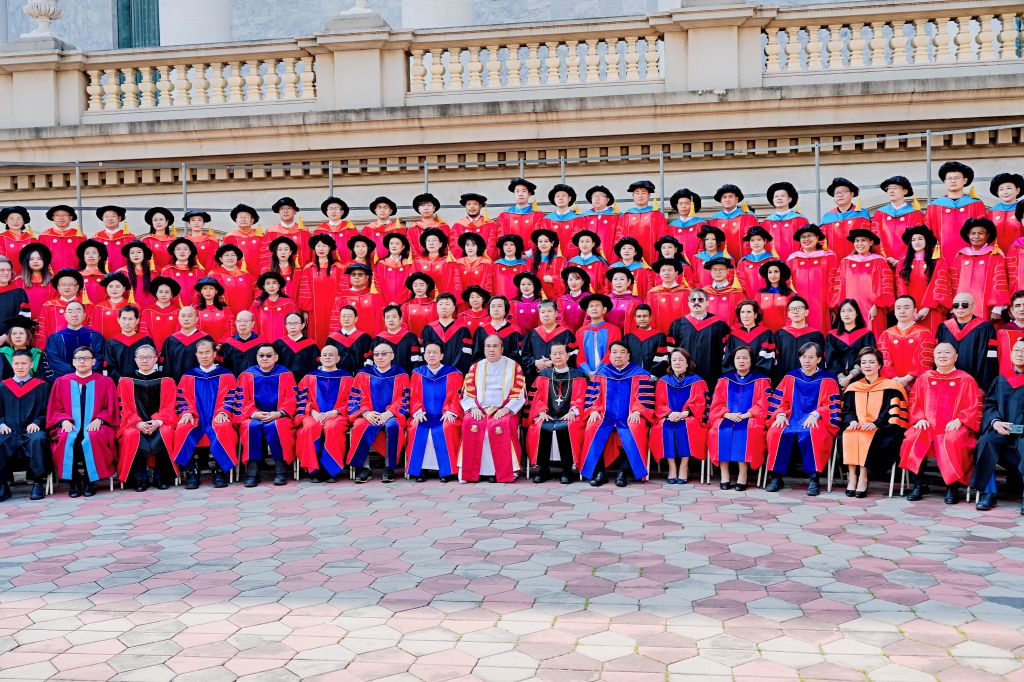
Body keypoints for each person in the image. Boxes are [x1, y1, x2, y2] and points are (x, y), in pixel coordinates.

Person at [899, 342, 981, 504]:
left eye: (947, 353)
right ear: (934, 357)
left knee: (953, 440)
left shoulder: (966, 379)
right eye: (939, 353)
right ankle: (918, 483)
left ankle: (952, 487)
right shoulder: (924, 378)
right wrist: (919, 418)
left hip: (953, 426)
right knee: (913, 437)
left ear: (956, 357)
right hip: (928, 425)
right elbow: (914, 402)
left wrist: (960, 420)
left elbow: (974, 406)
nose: (942, 356)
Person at [765, 342, 839, 496]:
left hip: (816, 418)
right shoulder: (790, 377)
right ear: (799, 358)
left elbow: (831, 406)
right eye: (804, 357)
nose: (807, 360)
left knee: (812, 433)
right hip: (791, 417)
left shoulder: (828, 379)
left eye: (811, 357)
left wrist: (816, 414)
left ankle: (814, 479)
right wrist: (780, 414)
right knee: (776, 432)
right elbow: (780, 401)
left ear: (819, 359)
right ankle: (776, 477)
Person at [579, 341, 655, 487]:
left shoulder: (640, 374)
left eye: (622, 352)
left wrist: (638, 410)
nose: (618, 355)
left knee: (636, 427)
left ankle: (623, 472)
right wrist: (594, 409)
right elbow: (593, 396)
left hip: (630, 415)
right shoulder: (601, 374)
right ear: (610, 355)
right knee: (592, 426)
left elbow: (645, 397)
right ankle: (599, 471)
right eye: (614, 352)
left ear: (628, 355)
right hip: (605, 415)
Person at [47, 346, 117, 497]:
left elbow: (111, 408)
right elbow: (55, 409)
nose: (82, 361)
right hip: (70, 425)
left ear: (93, 362)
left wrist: (100, 419)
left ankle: (89, 480)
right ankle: (73, 481)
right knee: (65, 437)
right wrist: (63, 420)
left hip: (97, 425)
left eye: (86, 358)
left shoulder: (105, 382)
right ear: (73, 362)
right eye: (78, 358)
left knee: (93, 437)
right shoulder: (62, 382)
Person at [839, 347, 909, 498]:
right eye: (863, 362)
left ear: (879, 365)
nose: (867, 365)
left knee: (866, 435)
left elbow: (892, 412)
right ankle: (852, 476)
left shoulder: (892, 387)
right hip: (857, 426)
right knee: (849, 434)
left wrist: (876, 423)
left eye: (871, 362)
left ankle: (864, 477)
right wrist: (852, 421)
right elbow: (847, 410)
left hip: (883, 429)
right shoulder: (853, 388)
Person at [459, 335, 527, 483]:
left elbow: (519, 392)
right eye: (488, 346)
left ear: (502, 349)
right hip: (480, 409)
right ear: (484, 349)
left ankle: (504, 471)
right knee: (470, 422)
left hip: (504, 409)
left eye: (495, 346)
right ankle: (472, 472)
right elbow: (467, 391)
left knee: (502, 424)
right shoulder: (475, 367)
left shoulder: (514, 367)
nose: (491, 349)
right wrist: (473, 407)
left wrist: (506, 409)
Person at [174, 338, 238, 488]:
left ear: (214, 354)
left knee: (223, 427)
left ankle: (220, 471)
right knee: (183, 428)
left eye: (208, 352)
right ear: (196, 355)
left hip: (217, 417)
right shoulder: (188, 376)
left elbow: (232, 397)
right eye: (201, 353)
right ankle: (191, 472)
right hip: (196, 418)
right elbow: (181, 399)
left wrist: (224, 412)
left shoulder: (226, 375)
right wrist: (186, 413)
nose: (204, 356)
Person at [115, 345, 177, 492]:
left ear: (155, 359)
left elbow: (171, 406)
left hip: (160, 422)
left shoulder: (167, 380)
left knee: (166, 432)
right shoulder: (125, 381)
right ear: (135, 360)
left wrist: (158, 421)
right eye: (141, 357)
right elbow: (122, 407)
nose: (145, 360)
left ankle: (161, 476)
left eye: (148, 357)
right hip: (133, 423)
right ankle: (139, 477)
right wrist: (137, 423)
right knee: (131, 434)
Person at [972, 337, 1024, 513]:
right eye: (1017, 350)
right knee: (986, 441)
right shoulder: (1001, 380)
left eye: (1023, 351)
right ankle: (989, 493)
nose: (1020, 353)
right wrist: (995, 422)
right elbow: (990, 405)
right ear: (1011, 354)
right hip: (1002, 429)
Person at [707, 346, 770, 490]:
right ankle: (724, 474)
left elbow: (764, 404)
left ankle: (743, 473)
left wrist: (746, 415)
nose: (741, 361)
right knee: (719, 430)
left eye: (745, 358)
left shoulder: (762, 380)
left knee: (745, 431)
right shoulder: (724, 380)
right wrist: (727, 414)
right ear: (733, 361)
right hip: (726, 416)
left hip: (751, 417)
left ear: (751, 361)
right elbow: (716, 403)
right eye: (738, 358)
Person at [347, 343, 409, 483]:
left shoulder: (402, 375)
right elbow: (356, 398)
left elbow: (404, 399)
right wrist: (366, 413)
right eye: (376, 354)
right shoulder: (363, 374)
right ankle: (364, 468)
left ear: (392, 356)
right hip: (368, 414)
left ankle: (389, 467)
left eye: (384, 354)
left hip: (391, 415)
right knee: (359, 426)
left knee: (393, 426)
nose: (379, 357)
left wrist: (389, 412)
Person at [525, 343, 587, 484]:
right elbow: (536, 397)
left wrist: (573, 411)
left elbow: (582, 397)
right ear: (550, 356)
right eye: (554, 354)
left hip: (570, 415)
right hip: (548, 414)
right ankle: (542, 469)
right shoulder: (543, 375)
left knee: (568, 427)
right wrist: (541, 412)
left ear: (568, 355)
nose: (557, 356)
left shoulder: (578, 375)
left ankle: (567, 470)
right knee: (540, 426)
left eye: (561, 353)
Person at [237, 343, 297, 487]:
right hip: (253, 415)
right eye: (261, 355)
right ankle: (253, 471)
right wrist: (254, 413)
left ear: (276, 357)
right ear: (257, 357)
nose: (264, 358)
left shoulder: (285, 374)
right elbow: (241, 400)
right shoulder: (247, 375)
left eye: (269, 355)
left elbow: (291, 399)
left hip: (279, 416)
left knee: (276, 426)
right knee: (251, 427)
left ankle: (281, 470)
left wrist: (279, 413)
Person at [407, 342, 464, 483]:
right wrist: (418, 411)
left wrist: (450, 412)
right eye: (428, 352)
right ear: (424, 355)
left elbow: (457, 397)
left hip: (445, 415)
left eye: (435, 352)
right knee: (416, 427)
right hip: (425, 415)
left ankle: (446, 470)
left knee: (448, 427)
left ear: (442, 355)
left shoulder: (453, 373)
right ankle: (420, 469)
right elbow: (413, 396)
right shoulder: (417, 373)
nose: (431, 355)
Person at [650, 348, 708, 485]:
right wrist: (669, 414)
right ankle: (672, 466)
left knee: (687, 425)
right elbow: (658, 404)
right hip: (667, 417)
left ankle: (684, 465)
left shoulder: (698, 381)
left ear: (687, 363)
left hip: (690, 417)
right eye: (674, 359)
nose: (677, 362)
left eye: (681, 359)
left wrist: (684, 413)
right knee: (665, 426)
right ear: (670, 363)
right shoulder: (663, 381)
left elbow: (701, 403)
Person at [295, 345, 352, 480]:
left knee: (332, 427)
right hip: (312, 414)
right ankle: (313, 469)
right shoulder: (309, 378)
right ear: (320, 359)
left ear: (338, 358)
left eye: (331, 355)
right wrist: (312, 412)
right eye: (324, 355)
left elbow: (353, 402)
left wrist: (336, 411)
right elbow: (301, 400)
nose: (327, 357)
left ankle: (329, 469)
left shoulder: (348, 379)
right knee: (310, 427)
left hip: (337, 415)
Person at [0, 350, 50, 501]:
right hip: (9, 431)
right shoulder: (2, 386)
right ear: (12, 364)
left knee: (38, 439)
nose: (20, 367)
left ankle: (38, 483)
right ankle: (2, 485)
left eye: (23, 363)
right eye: (16, 363)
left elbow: (48, 411)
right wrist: (1, 424)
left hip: (32, 431)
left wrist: (37, 422)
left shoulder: (42, 386)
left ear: (31, 364)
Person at [830, 229, 894, 338]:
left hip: (873, 308)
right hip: (850, 308)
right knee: (852, 337)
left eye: (863, 240)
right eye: (857, 241)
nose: (860, 244)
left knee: (872, 337)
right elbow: (839, 287)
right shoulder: (846, 262)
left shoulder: (879, 261)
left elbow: (886, 285)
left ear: (871, 242)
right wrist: (837, 308)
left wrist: (877, 306)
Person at [948, 217, 1009, 322]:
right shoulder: (961, 255)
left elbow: (1001, 282)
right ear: (968, 235)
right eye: (973, 233)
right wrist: (953, 306)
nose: (976, 236)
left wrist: (997, 309)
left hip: (987, 309)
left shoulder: (995, 255)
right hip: (961, 308)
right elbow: (953, 283)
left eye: (981, 233)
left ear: (987, 235)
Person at [936, 292, 998, 395]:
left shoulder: (985, 328)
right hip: (947, 384)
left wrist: (985, 387)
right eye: (956, 305)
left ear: (973, 307)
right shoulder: (944, 327)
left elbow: (991, 359)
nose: (960, 307)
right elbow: (937, 357)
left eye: (964, 304)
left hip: (976, 387)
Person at [668, 289, 730, 388]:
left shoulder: (720, 325)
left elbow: (726, 353)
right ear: (688, 303)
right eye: (693, 300)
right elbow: (670, 351)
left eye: (700, 300)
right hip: (684, 374)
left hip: (711, 373)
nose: (696, 302)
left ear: (707, 303)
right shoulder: (678, 324)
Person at [895, 225, 951, 334]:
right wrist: (907, 308)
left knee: (931, 335)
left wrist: (927, 307)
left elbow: (938, 284)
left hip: (932, 308)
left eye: (920, 239)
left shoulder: (937, 260)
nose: (917, 242)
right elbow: (900, 286)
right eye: (913, 239)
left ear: (926, 240)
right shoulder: (903, 262)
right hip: (909, 310)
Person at [926, 161, 987, 252]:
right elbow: (927, 233)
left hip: (971, 254)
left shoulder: (976, 204)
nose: (953, 181)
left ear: (965, 180)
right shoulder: (934, 206)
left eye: (957, 178)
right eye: (949, 178)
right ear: (945, 181)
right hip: (941, 254)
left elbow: (984, 231)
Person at [297, 234, 345, 346]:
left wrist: (342, 307)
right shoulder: (309, 268)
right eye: (318, 246)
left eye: (324, 246)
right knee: (316, 335)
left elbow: (343, 289)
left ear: (329, 248)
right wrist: (306, 310)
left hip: (334, 308)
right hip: (314, 310)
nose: (321, 249)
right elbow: (305, 291)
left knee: (334, 333)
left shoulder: (338, 268)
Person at [787, 224, 837, 331]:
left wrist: (833, 306)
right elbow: (787, 284)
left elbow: (834, 281)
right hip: (798, 304)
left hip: (822, 304)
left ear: (817, 237)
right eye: (803, 237)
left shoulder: (828, 256)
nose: (806, 239)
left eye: (810, 236)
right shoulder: (793, 258)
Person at [772, 296, 826, 385]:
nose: (795, 311)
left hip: (809, 382)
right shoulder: (780, 334)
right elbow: (776, 360)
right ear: (788, 314)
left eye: (799, 308)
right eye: (792, 309)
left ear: (806, 312)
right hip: (784, 380)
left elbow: (820, 360)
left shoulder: (816, 335)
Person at [825, 299, 875, 391]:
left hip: (861, 379)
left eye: (850, 310)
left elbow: (869, 357)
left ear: (857, 313)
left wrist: (849, 378)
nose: (846, 314)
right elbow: (831, 359)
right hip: (838, 381)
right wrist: (841, 378)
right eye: (843, 311)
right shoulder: (832, 336)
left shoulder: (867, 334)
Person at [520, 300, 575, 384]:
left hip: (559, 379)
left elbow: (572, 355)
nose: (546, 314)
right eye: (542, 312)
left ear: (556, 313)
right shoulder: (532, 334)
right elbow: (524, 356)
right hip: (535, 379)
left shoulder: (566, 333)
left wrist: (553, 362)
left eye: (549, 311)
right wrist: (536, 363)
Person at [872, 176, 925, 263]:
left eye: (895, 188)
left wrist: (904, 259)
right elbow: (875, 237)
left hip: (908, 262)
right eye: (889, 188)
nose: (891, 191)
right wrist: (884, 257)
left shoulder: (915, 214)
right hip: (883, 261)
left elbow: (918, 239)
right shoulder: (880, 213)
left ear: (905, 191)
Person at [45, 302, 104, 378]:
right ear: (65, 315)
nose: (74, 314)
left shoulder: (95, 336)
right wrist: (75, 374)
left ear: (84, 315)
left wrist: (86, 373)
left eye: (78, 311)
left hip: (91, 378)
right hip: (65, 379)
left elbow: (99, 358)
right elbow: (54, 360)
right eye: (70, 312)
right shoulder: (55, 338)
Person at [820, 177, 871, 261]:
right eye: (837, 193)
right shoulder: (828, 217)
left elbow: (868, 240)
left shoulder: (862, 214)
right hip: (833, 261)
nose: (840, 195)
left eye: (844, 192)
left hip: (858, 260)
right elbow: (821, 242)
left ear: (852, 194)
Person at [104, 306, 155, 383]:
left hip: (143, 383)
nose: (127, 323)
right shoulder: (111, 343)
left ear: (137, 320)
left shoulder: (146, 341)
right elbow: (110, 366)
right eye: (124, 319)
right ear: (118, 320)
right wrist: (120, 379)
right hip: (119, 384)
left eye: (130, 319)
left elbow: (151, 363)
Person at [161, 307, 213, 381]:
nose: (186, 319)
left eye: (190, 316)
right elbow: (167, 366)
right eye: (183, 316)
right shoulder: (171, 340)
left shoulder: (206, 339)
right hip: (176, 383)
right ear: (178, 319)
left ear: (196, 319)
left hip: (201, 382)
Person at [724, 299, 775, 375]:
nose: (745, 315)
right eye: (742, 312)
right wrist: (737, 375)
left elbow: (766, 357)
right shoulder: (733, 335)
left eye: (749, 312)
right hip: (737, 377)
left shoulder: (766, 333)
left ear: (755, 315)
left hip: (759, 377)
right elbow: (729, 358)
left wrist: (756, 375)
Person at [575, 294, 621, 379]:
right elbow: (580, 356)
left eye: (597, 306)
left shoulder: (614, 330)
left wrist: (599, 372)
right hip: (587, 376)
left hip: (609, 375)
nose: (594, 308)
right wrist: (588, 372)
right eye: (591, 306)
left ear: (604, 310)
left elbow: (612, 353)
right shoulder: (580, 332)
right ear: (587, 311)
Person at [39, 269, 91, 343]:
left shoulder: (88, 306)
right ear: (57, 287)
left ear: (77, 287)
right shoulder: (48, 306)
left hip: (82, 346)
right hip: (55, 346)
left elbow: (92, 331)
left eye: (71, 284)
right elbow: (42, 331)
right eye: (63, 284)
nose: (67, 287)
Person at [760, 181, 807, 262]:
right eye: (776, 196)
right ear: (773, 200)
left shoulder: (800, 220)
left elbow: (806, 242)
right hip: (771, 264)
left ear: (789, 199)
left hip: (795, 261)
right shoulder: (766, 222)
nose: (779, 198)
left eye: (782, 196)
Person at [333, 263, 383, 337]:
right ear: (349, 277)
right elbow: (336, 321)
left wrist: (377, 339)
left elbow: (379, 322)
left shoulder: (375, 297)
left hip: (371, 338)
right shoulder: (342, 297)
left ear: (367, 277)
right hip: (348, 339)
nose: (356, 277)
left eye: (360, 275)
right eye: (353, 275)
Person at [708, 184, 757, 259]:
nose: (727, 200)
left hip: (745, 260)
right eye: (724, 197)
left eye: (731, 197)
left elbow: (755, 239)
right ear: (721, 200)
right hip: (721, 262)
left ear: (736, 199)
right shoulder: (714, 220)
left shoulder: (748, 216)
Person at [473, 296, 524, 365]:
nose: (496, 309)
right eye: (493, 306)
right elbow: (477, 354)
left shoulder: (514, 331)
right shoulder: (481, 330)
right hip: (485, 368)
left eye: (499, 306)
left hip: (507, 368)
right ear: (489, 310)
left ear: (506, 310)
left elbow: (516, 355)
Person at [497, 177, 545, 251]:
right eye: (517, 191)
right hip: (510, 254)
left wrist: (531, 252)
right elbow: (501, 236)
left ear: (529, 194)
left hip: (532, 255)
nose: (520, 194)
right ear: (514, 193)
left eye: (524, 191)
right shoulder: (504, 215)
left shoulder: (538, 215)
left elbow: (540, 237)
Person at [250, 271, 299, 342]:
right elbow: (253, 327)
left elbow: (295, 325)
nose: (271, 286)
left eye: (274, 283)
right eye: (268, 283)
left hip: (285, 344)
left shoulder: (289, 303)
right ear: (264, 287)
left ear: (279, 286)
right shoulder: (257, 304)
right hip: (264, 345)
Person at [622, 304, 669, 377]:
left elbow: (661, 359)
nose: (642, 319)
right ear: (635, 318)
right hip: (632, 376)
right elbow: (625, 358)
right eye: (639, 316)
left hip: (653, 378)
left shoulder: (660, 336)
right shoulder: (628, 337)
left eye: (645, 316)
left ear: (650, 318)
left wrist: (652, 376)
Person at [210, 243, 257, 315]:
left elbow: (257, 291)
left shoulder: (246, 275)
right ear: (221, 259)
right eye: (226, 255)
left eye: (233, 255)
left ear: (237, 257)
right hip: (222, 314)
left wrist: (253, 308)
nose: (230, 258)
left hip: (246, 315)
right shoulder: (213, 275)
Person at [644, 258, 690, 334]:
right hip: (658, 334)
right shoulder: (652, 294)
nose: (666, 273)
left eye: (670, 270)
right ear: (659, 274)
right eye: (663, 270)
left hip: (683, 333)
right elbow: (648, 315)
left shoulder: (686, 292)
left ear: (676, 273)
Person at [325, 305, 373, 376]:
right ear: (340, 318)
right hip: (337, 377)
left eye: (349, 316)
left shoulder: (365, 338)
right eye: (343, 316)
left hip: (359, 377)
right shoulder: (332, 339)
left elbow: (370, 359)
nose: (346, 319)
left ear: (356, 318)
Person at [222, 203, 265, 283]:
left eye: (246, 217)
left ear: (252, 220)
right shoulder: (230, 237)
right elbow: (224, 258)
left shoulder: (260, 236)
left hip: (259, 273)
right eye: (240, 217)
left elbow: (266, 256)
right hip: (236, 275)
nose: (243, 219)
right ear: (236, 220)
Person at [415, 227, 461, 301]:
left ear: (440, 244)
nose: (431, 243)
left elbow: (453, 283)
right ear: (425, 244)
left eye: (434, 240)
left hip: (443, 301)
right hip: (424, 301)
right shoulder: (418, 262)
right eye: (428, 240)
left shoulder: (448, 261)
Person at [373, 304, 421, 373]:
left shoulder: (411, 337)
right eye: (387, 317)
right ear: (384, 320)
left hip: (407, 376)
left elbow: (416, 361)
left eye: (394, 317)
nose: (390, 320)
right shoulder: (378, 340)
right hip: (384, 378)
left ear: (401, 319)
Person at [265, 196, 310, 267]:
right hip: (278, 271)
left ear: (295, 211)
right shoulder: (271, 231)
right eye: (282, 209)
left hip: (301, 269)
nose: (285, 211)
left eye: (289, 208)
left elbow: (310, 252)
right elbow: (266, 255)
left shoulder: (304, 231)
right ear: (279, 212)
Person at [451, 193, 498, 260]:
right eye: (468, 204)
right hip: (464, 263)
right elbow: (455, 248)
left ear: (480, 206)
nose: (472, 207)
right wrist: (464, 261)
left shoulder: (490, 225)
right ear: (465, 206)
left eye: (475, 204)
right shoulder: (457, 226)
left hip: (485, 262)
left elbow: (492, 247)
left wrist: (482, 261)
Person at [275, 311, 320, 381]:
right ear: (286, 326)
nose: (292, 327)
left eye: (296, 323)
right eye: (289, 323)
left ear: (303, 325)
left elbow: (315, 367)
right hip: (284, 382)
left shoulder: (311, 345)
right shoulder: (278, 344)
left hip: (305, 383)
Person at [37, 205, 83, 272]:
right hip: (50, 274)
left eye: (64, 215)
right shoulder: (44, 236)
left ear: (70, 217)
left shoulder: (79, 237)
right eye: (57, 215)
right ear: (53, 217)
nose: (61, 218)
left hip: (74, 274)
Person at [578, 185, 620, 259]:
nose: (597, 198)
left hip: (611, 254)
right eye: (594, 196)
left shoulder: (617, 216)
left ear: (607, 199)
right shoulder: (584, 217)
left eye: (600, 196)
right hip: (589, 256)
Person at [161, 237, 205, 307]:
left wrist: (193, 305)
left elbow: (201, 291)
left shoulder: (198, 271)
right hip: (173, 308)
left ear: (190, 252)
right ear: (174, 252)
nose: (182, 252)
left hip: (194, 308)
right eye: (178, 249)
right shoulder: (167, 271)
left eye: (185, 249)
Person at [140, 277, 180, 352]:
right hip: (152, 350)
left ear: (171, 295)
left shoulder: (178, 312)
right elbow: (144, 332)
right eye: (160, 292)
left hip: (173, 349)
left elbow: (179, 332)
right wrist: (151, 349)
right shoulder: (147, 311)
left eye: (167, 292)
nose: (163, 295)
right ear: (156, 294)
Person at [373, 232, 414, 306]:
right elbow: (377, 285)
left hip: (405, 303)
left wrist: (400, 301)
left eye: (397, 244)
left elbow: (410, 286)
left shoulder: (409, 264)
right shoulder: (381, 264)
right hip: (385, 303)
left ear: (403, 247)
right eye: (391, 243)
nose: (393, 246)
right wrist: (386, 302)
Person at [702, 257, 745, 327]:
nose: (717, 272)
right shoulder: (704, 293)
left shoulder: (736, 293)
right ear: (710, 272)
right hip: (707, 332)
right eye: (714, 269)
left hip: (730, 332)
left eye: (721, 269)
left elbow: (742, 317)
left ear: (727, 271)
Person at [735, 226, 776, 298]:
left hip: (769, 299)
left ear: (765, 241)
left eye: (759, 240)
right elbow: (741, 283)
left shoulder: (772, 260)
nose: (756, 243)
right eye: (752, 240)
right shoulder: (743, 262)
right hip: (749, 300)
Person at [541, 184, 579, 260]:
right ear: (554, 199)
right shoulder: (547, 219)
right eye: (557, 196)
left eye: (563, 196)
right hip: (551, 259)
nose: (560, 198)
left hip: (574, 258)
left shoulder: (578, 219)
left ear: (569, 198)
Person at [86, 272, 129, 339]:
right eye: (110, 286)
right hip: (103, 343)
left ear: (123, 289)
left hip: (125, 343)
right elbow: (92, 329)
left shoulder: (131, 306)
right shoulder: (98, 307)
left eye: (118, 286)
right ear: (106, 288)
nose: (114, 289)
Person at [219, 310, 263, 376]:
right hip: (234, 381)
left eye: (246, 321)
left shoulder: (261, 344)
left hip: (256, 380)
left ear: (253, 324)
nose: (242, 324)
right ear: (235, 323)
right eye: (239, 321)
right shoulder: (228, 345)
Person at [988, 172, 1023, 253]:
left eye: (1009, 188)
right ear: (998, 193)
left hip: (1019, 253)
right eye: (1001, 189)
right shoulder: (992, 212)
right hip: (996, 253)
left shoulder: (1022, 210)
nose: (1005, 192)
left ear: (1017, 190)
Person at [755, 260, 794, 333]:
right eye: (770, 272)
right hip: (764, 333)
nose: (773, 275)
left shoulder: (789, 294)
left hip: (784, 333)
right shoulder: (760, 294)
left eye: (776, 272)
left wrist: (786, 333)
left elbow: (791, 317)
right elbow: (757, 315)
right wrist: (761, 332)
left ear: (781, 273)